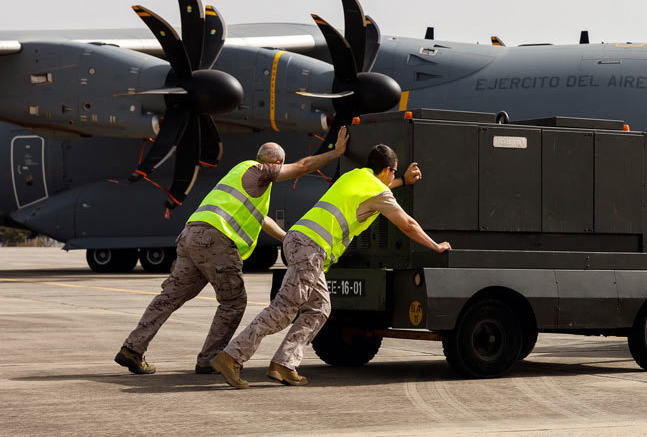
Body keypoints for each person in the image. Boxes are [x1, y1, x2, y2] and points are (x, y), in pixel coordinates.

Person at [114, 127, 349, 375]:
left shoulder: (241, 174)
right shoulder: (260, 171)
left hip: (192, 235)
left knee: (169, 297)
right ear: (277, 163)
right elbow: (302, 166)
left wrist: (286, 237)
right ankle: (210, 358)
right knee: (233, 302)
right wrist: (337, 152)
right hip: (216, 241)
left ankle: (133, 348)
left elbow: (260, 218)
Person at [212, 144, 450, 388]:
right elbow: (407, 224)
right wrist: (436, 246)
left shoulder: (354, 176)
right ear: (388, 169)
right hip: (311, 248)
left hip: (297, 239)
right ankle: (232, 356)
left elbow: (380, 190)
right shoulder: (378, 190)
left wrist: (401, 181)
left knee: (320, 308)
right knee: (284, 309)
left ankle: (285, 363)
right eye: (393, 172)